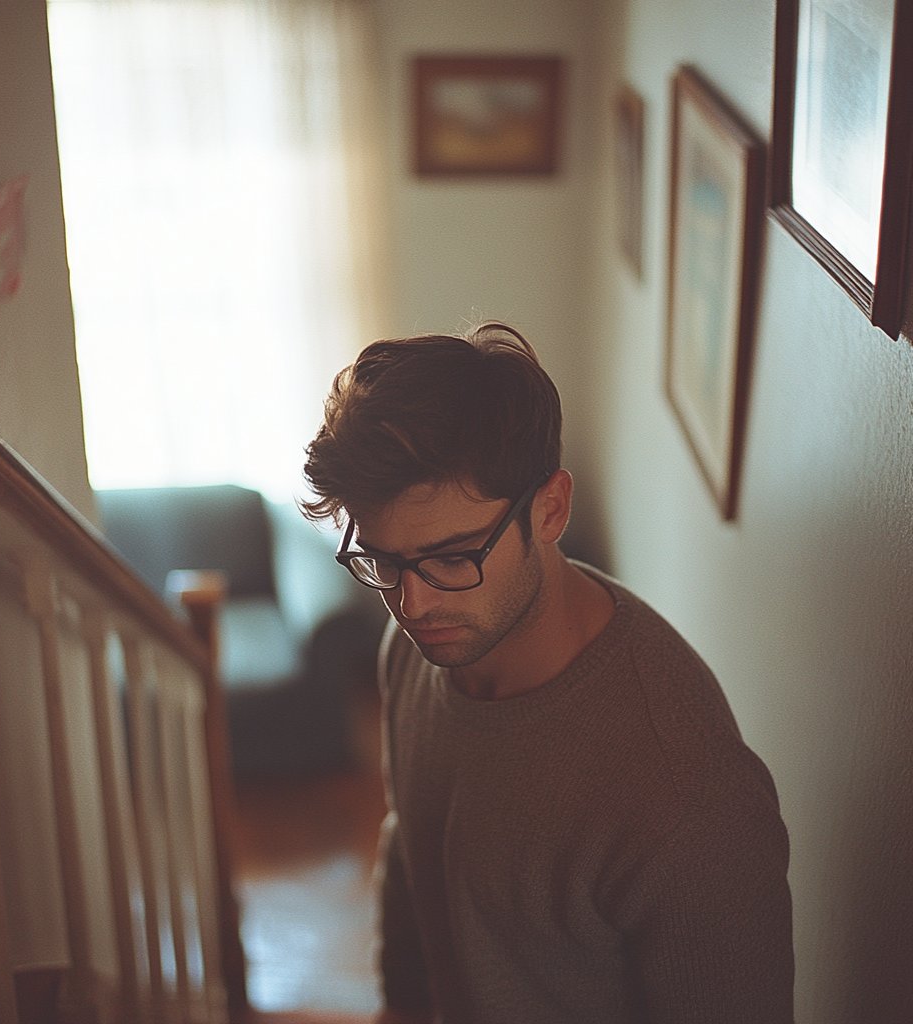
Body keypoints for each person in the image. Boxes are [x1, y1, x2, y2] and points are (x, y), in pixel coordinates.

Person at [300, 321, 794, 1024]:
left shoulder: (686, 797)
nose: (412, 605)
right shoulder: (414, 646)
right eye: (382, 560)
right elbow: (411, 846)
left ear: (551, 509)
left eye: (453, 557)